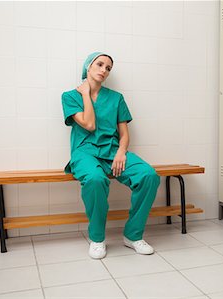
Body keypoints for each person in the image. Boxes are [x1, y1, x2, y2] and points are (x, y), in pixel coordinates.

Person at [61, 52, 160, 259]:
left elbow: (124, 134)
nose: (104, 70)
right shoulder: (70, 96)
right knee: (96, 179)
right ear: (88, 66)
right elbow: (89, 124)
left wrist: (121, 153)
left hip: (113, 151)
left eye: (108, 68)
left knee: (149, 175)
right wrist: (86, 94)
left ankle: (133, 235)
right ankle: (97, 239)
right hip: (84, 153)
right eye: (99, 64)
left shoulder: (116, 98)